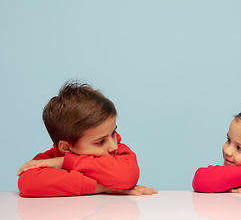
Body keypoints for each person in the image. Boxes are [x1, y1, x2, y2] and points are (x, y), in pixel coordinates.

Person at [17, 81, 157, 197]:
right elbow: (28, 184)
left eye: (113, 133)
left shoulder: (118, 151)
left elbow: (126, 176)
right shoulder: (49, 159)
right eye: (100, 141)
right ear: (66, 148)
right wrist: (104, 187)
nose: (113, 146)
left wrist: (64, 163)